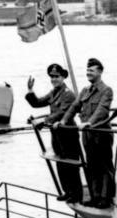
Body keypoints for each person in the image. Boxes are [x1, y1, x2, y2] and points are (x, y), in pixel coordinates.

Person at [59, 58, 115, 209]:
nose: (88, 73)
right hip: (87, 134)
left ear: (100, 72)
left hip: (101, 133)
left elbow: (102, 110)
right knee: (92, 166)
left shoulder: (106, 90)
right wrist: (64, 121)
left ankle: (105, 197)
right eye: (87, 70)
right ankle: (95, 196)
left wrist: (89, 122)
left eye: (91, 70)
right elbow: (74, 106)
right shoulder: (85, 91)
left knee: (104, 166)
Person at [26, 63, 83, 203]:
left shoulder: (68, 94)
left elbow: (61, 112)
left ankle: (76, 194)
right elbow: (37, 103)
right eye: (52, 77)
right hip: (56, 134)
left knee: (71, 165)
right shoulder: (53, 92)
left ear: (63, 77)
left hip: (68, 134)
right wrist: (30, 90)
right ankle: (67, 191)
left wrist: (44, 121)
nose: (54, 79)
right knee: (60, 163)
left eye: (56, 76)